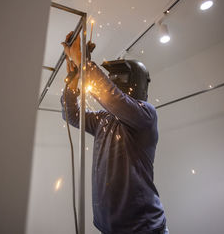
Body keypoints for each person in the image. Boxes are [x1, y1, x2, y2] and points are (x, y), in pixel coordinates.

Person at [61, 32, 168, 234]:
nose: (113, 80)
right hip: (108, 228)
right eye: (112, 77)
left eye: (119, 77)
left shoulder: (146, 115)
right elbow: (72, 115)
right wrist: (73, 82)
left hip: (143, 230)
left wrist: (83, 63)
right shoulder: (104, 119)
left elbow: (111, 97)